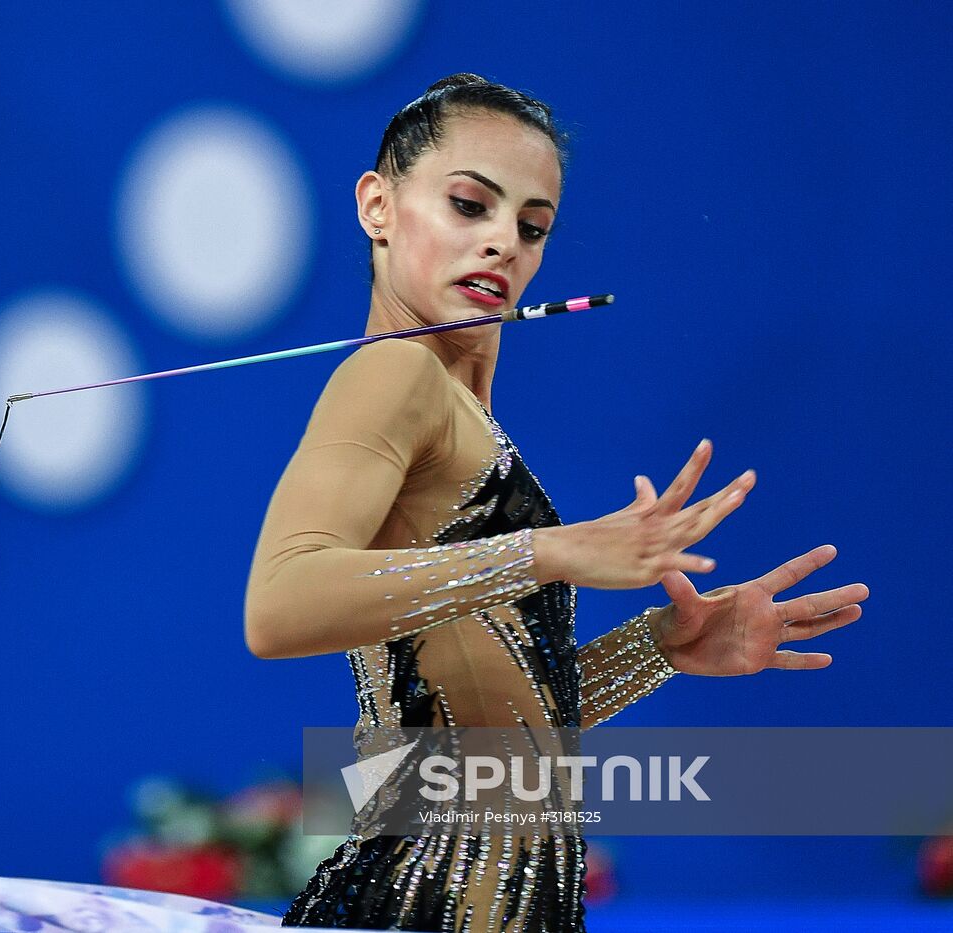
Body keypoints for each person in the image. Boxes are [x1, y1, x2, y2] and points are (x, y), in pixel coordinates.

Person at [243, 74, 868, 933]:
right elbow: (278, 605)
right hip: (427, 901)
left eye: (531, 227)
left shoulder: (463, 414)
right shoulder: (393, 374)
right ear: (377, 205)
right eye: (470, 205)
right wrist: (550, 552)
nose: (504, 243)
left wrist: (658, 647)